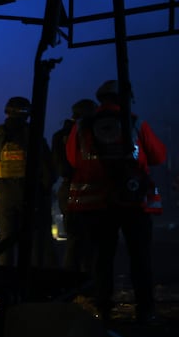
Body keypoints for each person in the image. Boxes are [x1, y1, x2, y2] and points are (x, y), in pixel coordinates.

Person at [65, 80, 167, 323]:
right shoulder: (135, 122)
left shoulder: (81, 126)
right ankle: (145, 309)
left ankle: (103, 309)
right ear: (125, 97)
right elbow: (159, 156)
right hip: (133, 202)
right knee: (140, 257)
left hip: (97, 205)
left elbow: (72, 160)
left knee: (102, 258)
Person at [0, 96, 57, 267]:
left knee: (6, 241)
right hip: (31, 194)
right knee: (35, 241)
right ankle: (32, 284)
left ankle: (5, 285)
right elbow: (47, 167)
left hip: (5, 195)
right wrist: (44, 190)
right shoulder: (33, 135)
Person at [52, 98, 97, 279]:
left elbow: (60, 167)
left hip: (68, 190)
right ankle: (89, 283)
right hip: (89, 191)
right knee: (90, 240)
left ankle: (70, 283)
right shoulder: (89, 134)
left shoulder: (59, 135)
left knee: (74, 238)